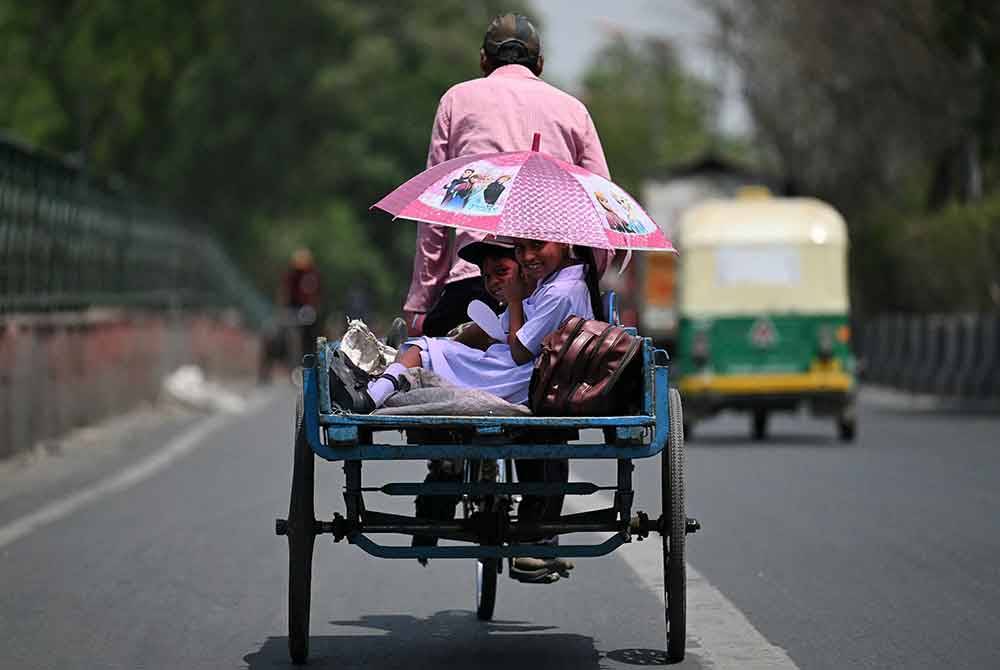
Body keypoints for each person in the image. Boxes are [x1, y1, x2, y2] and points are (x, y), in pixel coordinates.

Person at [404, 12, 612, 338]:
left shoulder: (456, 101)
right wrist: (583, 282)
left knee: (425, 354)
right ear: (539, 64)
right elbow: (603, 213)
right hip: (552, 288)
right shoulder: (573, 111)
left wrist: (420, 304)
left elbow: (435, 215)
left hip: (474, 282)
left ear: (484, 61)